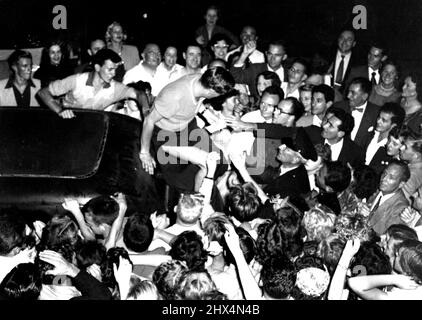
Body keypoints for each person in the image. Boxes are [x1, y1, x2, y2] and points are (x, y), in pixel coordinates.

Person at [139, 67, 234, 192]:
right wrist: (144, 152)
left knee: (220, 163)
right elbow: (149, 120)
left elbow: (196, 102)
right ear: (211, 90)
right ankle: (197, 200)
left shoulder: (203, 79)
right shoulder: (174, 95)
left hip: (188, 126)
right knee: (196, 174)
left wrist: (207, 114)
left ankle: (209, 187)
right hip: (167, 137)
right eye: (219, 94)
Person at [38, 48, 149, 119]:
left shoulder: (116, 88)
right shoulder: (77, 80)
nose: (113, 74)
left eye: (115, 69)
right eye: (110, 69)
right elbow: (43, 93)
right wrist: (60, 111)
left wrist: (146, 111)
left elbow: (139, 94)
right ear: (97, 67)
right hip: (67, 122)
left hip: (92, 126)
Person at [361, 160, 410, 236]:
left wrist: (365, 219)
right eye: (384, 173)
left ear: (401, 184)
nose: (383, 179)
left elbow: (385, 239)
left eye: (391, 177)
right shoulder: (378, 191)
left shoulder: (400, 208)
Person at [334, 77, 381, 149]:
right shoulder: (338, 107)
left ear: (364, 96)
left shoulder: (376, 113)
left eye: (353, 93)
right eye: (348, 91)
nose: (348, 96)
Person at [363, 103, 405, 174]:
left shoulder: (391, 148)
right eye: (379, 117)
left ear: (393, 125)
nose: (378, 121)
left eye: (384, 120)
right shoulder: (369, 134)